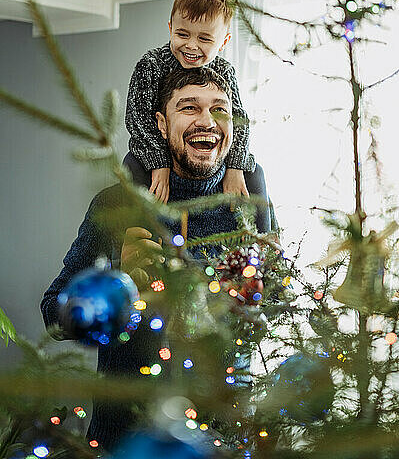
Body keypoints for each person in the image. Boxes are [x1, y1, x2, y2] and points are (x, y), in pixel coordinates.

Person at [41, 67, 278, 451]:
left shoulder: (249, 207)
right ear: (161, 122)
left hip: (225, 435)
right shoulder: (116, 204)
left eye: (220, 109)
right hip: (126, 436)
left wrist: (253, 295)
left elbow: (280, 302)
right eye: (189, 108)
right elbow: (53, 313)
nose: (207, 121)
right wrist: (119, 282)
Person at [125, 0, 261, 204]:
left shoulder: (225, 71)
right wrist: (160, 162)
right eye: (182, 34)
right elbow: (137, 118)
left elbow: (237, 120)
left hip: (206, 153)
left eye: (205, 39)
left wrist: (235, 166)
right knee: (132, 170)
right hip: (152, 150)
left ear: (224, 41)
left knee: (254, 174)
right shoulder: (151, 64)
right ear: (170, 28)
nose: (191, 45)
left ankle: (263, 238)